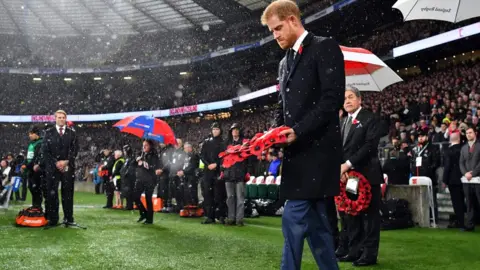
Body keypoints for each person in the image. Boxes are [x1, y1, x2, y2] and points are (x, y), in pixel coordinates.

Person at [261, 1, 345, 269]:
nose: (275, 35)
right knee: (318, 226)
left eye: (277, 28)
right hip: (296, 155)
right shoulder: (284, 62)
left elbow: (332, 99)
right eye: (272, 31)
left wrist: (298, 131)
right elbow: (282, 105)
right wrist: (272, 136)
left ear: (292, 20)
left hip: (319, 154)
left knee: (293, 219)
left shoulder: (325, 47)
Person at [340, 86, 383, 266]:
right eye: (345, 99)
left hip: (368, 175)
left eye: (351, 97)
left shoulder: (370, 118)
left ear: (359, 99)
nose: (347, 101)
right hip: (350, 178)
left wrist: (347, 165)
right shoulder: (343, 121)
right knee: (352, 214)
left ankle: (369, 254)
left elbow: (369, 147)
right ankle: (354, 250)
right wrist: (341, 170)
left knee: (370, 217)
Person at [40, 110, 79, 228]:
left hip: (68, 168)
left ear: (65, 119)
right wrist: (56, 163)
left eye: (63, 117)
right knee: (52, 194)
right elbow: (45, 151)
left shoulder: (72, 133)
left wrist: (66, 161)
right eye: (59, 117)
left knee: (68, 194)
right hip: (52, 168)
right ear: (55, 118)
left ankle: (69, 218)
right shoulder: (48, 133)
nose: (61, 119)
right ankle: (53, 219)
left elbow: (75, 149)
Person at [223, 123, 249, 226]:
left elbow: (248, 159)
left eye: (237, 129)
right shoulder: (226, 143)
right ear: (231, 132)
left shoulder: (245, 143)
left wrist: (246, 171)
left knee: (240, 198)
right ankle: (231, 218)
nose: (235, 131)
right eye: (233, 130)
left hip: (239, 174)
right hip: (229, 174)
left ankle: (239, 219)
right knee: (230, 198)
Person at [200, 122, 226, 224]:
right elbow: (202, 155)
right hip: (208, 171)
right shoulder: (206, 142)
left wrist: (216, 164)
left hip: (218, 171)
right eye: (214, 129)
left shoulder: (223, 142)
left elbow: (224, 156)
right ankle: (210, 216)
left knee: (219, 194)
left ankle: (220, 215)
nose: (215, 131)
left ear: (220, 131)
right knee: (208, 194)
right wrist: (208, 164)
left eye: (217, 129)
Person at [134, 140, 162, 225]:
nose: (144, 147)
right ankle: (143, 213)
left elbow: (153, 168)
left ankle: (149, 219)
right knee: (135, 196)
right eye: (143, 145)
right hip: (141, 179)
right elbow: (135, 162)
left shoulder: (154, 155)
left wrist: (144, 163)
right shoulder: (142, 153)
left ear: (150, 146)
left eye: (146, 145)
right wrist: (137, 159)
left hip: (150, 180)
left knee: (148, 199)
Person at [442, 131, 465, 229]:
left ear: (450, 140)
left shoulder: (448, 151)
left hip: (453, 180)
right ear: (459, 139)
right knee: (465, 200)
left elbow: (447, 167)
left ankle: (461, 223)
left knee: (457, 202)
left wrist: (444, 180)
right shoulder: (463, 149)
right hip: (464, 178)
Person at [459, 127, 480, 231]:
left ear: (475, 133)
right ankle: (470, 224)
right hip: (467, 179)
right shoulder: (463, 148)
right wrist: (465, 173)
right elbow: (461, 163)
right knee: (469, 202)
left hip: (478, 179)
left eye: (470, 132)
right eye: (467, 133)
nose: (468, 134)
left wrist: (473, 173)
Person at [24, 125, 44, 208]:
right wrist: (24, 163)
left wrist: (27, 165)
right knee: (31, 187)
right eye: (29, 134)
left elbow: (36, 157)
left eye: (31, 133)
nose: (29, 135)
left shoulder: (40, 143)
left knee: (36, 188)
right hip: (30, 169)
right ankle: (34, 205)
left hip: (36, 170)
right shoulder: (31, 144)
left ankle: (38, 206)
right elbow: (28, 156)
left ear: (36, 134)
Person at [120, 144, 136, 210]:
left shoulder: (132, 158)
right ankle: (128, 205)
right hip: (125, 178)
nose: (124, 152)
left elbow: (131, 168)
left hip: (129, 179)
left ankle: (130, 205)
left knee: (129, 192)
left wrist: (127, 172)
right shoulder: (127, 159)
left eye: (124, 150)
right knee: (126, 192)